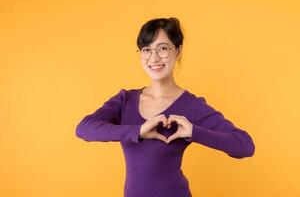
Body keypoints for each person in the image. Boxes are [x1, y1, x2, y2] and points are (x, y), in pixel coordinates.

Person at [75, 17, 255, 197]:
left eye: (163, 48)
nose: (154, 58)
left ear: (178, 51)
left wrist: (194, 132)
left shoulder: (191, 105)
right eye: (146, 50)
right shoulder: (125, 100)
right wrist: (138, 131)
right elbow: (84, 128)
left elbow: (245, 146)